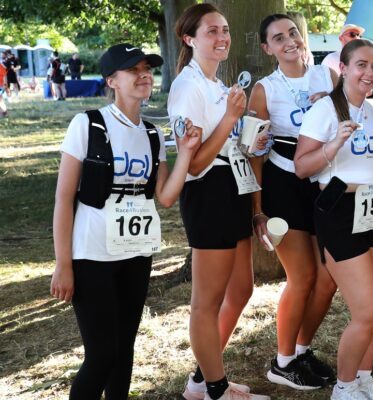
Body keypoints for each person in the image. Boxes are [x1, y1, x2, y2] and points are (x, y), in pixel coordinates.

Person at [50, 43, 198, 400]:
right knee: (101, 354)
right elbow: (64, 197)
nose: (143, 75)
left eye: (147, 69)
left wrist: (187, 153)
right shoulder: (88, 124)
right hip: (92, 253)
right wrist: (63, 263)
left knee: (125, 350)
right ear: (112, 80)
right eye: (133, 70)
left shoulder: (151, 134)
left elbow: (164, 197)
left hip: (135, 251)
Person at [168, 4, 269, 399]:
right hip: (207, 194)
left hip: (232, 187)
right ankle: (214, 388)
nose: (222, 37)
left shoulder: (216, 84)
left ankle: (202, 378)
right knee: (205, 304)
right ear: (189, 39)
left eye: (225, 30)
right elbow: (191, 166)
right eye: (212, 31)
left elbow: (225, 145)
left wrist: (247, 139)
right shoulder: (187, 86)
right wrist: (229, 119)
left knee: (242, 289)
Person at [295, 38, 373, 400]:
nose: (369, 73)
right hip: (339, 210)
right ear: (345, 68)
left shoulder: (369, 110)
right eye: (361, 66)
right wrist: (332, 145)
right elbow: (301, 167)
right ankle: (345, 386)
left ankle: (364, 378)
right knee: (366, 311)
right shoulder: (325, 110)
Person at [247, 13, 339, 391]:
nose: (290, 41)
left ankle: (301, 350)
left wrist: (334, 103)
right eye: (278, 38)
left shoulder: (330, 76)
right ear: (268, 48)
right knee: (302, 277)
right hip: (283, 184)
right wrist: (257, 210)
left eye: (293, 33)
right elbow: (253, 153)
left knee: (329, 280)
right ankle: (282, 362)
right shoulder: (264, 90)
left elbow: (351, 120)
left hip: (326, 183)